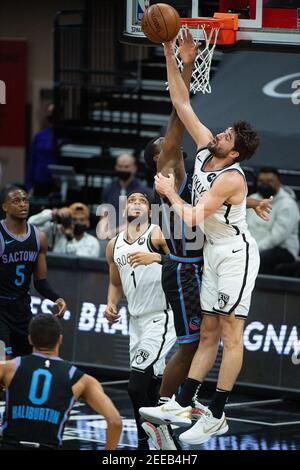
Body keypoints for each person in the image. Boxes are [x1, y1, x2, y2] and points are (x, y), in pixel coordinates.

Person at [139, 30, 263, 446]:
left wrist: (169, 192)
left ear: (235, 154)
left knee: (230, 333)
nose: (218, 135)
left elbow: (191, 216)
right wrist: (171, 52)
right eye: (223, 131)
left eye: (225, 137)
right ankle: (184, 401)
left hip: (235, 254)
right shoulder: (209, 150)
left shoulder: (229, 177)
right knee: (208, 331)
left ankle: (218, 413)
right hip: (215, 252)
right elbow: (181, 102)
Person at [128, 32, 203, 450]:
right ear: (159, 161)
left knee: (202, 341)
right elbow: (179, 110)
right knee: (191, 345)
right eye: (168, 150)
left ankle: (176, 405)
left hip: (192, 266)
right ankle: (162, 408)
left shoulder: (186, 178)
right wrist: (179, 60)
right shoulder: (168, 173)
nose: (174, 149)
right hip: (184, 269)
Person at [105, 191, 176, 450]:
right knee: (152, 384)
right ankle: (165, 437)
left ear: (150, 209)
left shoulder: (157, 234)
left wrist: (156, 257)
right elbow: (115, 282)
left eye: (142, 201)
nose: (136, 203)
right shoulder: (114, 244)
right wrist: (111, 303)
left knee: (135, 386)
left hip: (161, 316)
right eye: (132, 200)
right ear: (124, 208)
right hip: (135, 321)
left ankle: (144, 441)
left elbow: (186, 262)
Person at [0, 313, 122, 450]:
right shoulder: (81, 379)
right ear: (60, 339)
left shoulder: (8, 368)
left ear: (29, 339)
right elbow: (115, 421)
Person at [0, 186, 67, 359]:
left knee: (24, 364)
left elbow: (40, 282)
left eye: (25, 200)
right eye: (16, 201)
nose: (23, 204)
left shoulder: (38, 238)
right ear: (4, 207)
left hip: (22, 309)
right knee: (3, 363)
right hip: (1, 309)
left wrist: (57, 298)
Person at [247, 167, 299, 274]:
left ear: (278, 182)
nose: (265, 184)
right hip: (253, 246)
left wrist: (254, 250)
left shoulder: (287, 204)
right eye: (261, 181)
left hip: (282, 250)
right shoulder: (252, 199)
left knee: (260, 259)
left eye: (270, 181)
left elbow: (277, 237)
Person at [97, 153, 152, 241]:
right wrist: (103, 232)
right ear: (116, 167)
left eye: (126, 167)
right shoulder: (109, 188)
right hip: (110, 237)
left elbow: (140, 221)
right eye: (120, 166)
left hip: (134, 236)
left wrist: (114, 232)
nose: (123, 169)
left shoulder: (143, 191)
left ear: (134, 168)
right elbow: (104, 215)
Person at [29, 202, 100, 258]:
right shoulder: (57, 230)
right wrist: (53, 214)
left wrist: (71, 238)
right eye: (74, 219)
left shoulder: (92, 242)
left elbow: (79, 263)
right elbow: (30, 224)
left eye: (81, 220)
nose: (78, 222)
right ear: (68, 220)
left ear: (88, 223)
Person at [26, 104, 57, 197]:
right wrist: (28, 185)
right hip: (39, 181)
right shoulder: (40, 136)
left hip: (55, 182)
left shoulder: (64, 137)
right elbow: (32, 160)